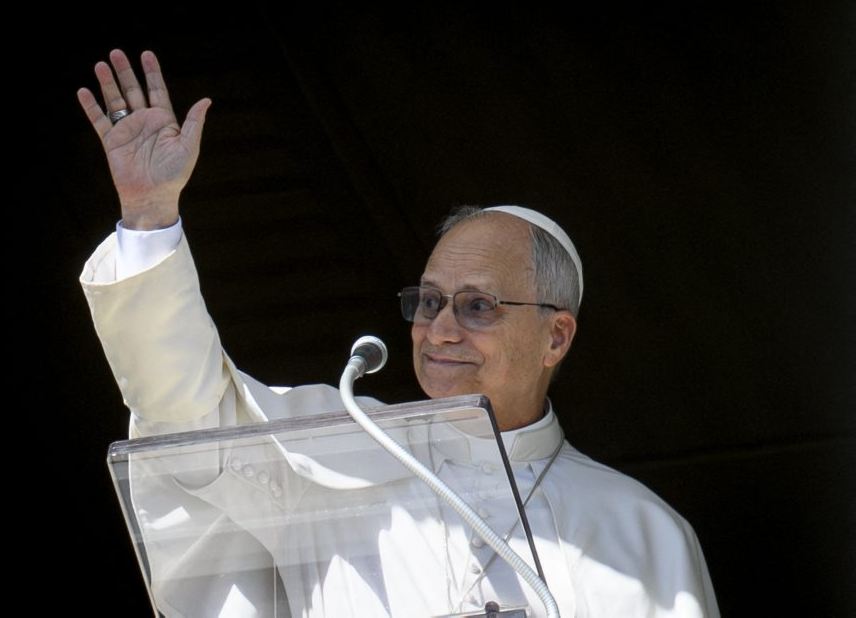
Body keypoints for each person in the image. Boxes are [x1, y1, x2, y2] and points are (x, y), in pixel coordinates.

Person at [79, 49, 719, 617]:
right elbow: (185, 414)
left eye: (477, 307)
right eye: (429, 302)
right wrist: (149, 216)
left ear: (556, 337)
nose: (439, 330)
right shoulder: (328, 459)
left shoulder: (641, 533)